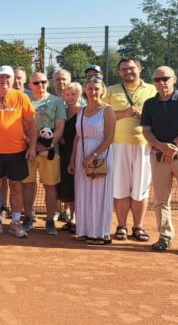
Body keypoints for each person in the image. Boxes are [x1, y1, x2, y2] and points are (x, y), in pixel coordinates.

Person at [142, 66, 178, 258]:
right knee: (160, 200)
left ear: (174, 79)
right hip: (159, 157)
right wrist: (161, 147)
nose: (161, 83)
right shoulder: (150, 104)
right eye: (157, 80)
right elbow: (146, 131)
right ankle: (164, 236)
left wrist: (173, 145)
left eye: (165, 78)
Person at [0, 65, 37, 239]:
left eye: (7, 77)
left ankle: (15, 223)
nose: (4, 80)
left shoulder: (22, 98)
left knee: (16, 187)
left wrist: (32, 147)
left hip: (17, 151)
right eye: (1, 77)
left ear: (13, 80)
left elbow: (32, 124)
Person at [104, 57, 157, 242]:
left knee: (141, 188)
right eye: (124, 69)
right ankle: (121, 226)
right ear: (119, 72)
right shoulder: (110, 91)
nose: (128, 71)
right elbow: (103, 116)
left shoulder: (152, 89)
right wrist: (125, 113)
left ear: (140, 69)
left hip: (145, 145)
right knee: (120, 188)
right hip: (117, 145)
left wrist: (147, 118)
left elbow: (159, 116)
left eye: (132, 68)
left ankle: (138, 226)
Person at [68, 76, 115, 245]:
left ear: (102, 90)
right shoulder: (80, 111)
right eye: (90, 88)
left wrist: (92, 155)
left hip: (100, 155)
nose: (93, 92)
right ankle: (84, 231)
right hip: (82, 155)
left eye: (96, 88)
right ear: (85, 91)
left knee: (98, 195)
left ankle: (101, 234)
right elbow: (76, 138)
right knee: (83, 193)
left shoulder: (107, 110)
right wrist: (73, 160)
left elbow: (109, 138)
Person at [22, 72, 65, 235]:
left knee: (50, 186)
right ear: (30, 85)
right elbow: (21, 126)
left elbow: (60, 126)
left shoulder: (57, 101)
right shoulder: (25, 100)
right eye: (36, 83)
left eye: (43, 82)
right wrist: (33, 145)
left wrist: (50, 145)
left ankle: (49, 220)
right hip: (29, 151)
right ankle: (27, 217)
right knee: (27, 185)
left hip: (51, 152)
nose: (40, 85)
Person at [58, 82, 83, 232]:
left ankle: (79, 219)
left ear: (79, 95)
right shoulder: (62, 111)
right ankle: (72, 218)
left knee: (78, 187)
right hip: (63, 153)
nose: (70, 97)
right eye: (67, 94)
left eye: (73, 94)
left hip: (78, 153)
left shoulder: (82, 111)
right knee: (68, 187)